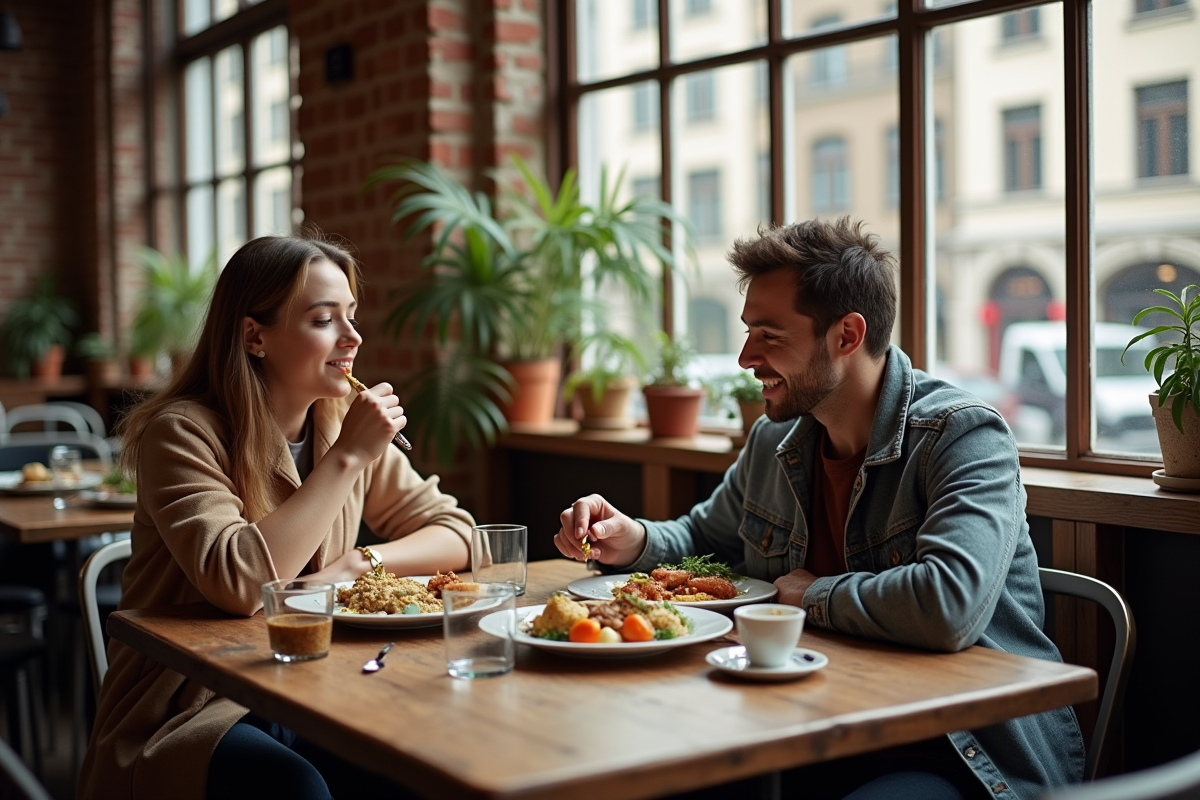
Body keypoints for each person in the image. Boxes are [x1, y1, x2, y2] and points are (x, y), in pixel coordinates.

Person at [554, 218, 1084, 800]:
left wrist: (813, 596)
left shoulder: (963, 436)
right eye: (748, 331)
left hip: (962, 753)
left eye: (769, 335)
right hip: (805, 728)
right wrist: (631, 538)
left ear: (847, 336)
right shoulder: (772, 441)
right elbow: (705, 539)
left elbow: (947, 605)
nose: (745, 357)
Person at [79, 235, 475, 800]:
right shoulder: (183, 432)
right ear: (254, 336)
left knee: (426, 760)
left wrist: (359, 563)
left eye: (352, 316)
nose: (353, 337)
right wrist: (348, 458)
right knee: (294, 787)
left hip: (315, 682)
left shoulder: (339, 422)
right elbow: (241, 585)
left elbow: (458, 532)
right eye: (324, 320)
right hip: (191, 701)